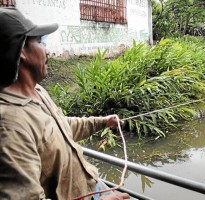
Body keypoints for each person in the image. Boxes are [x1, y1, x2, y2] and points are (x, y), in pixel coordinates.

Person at [0, 7, 130, 200]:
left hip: (93, 186)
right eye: (41, 41)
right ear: (22, 52)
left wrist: (103, 122)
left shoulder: (37, 91)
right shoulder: (10, 125)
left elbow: (62, 126)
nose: (48, 50)